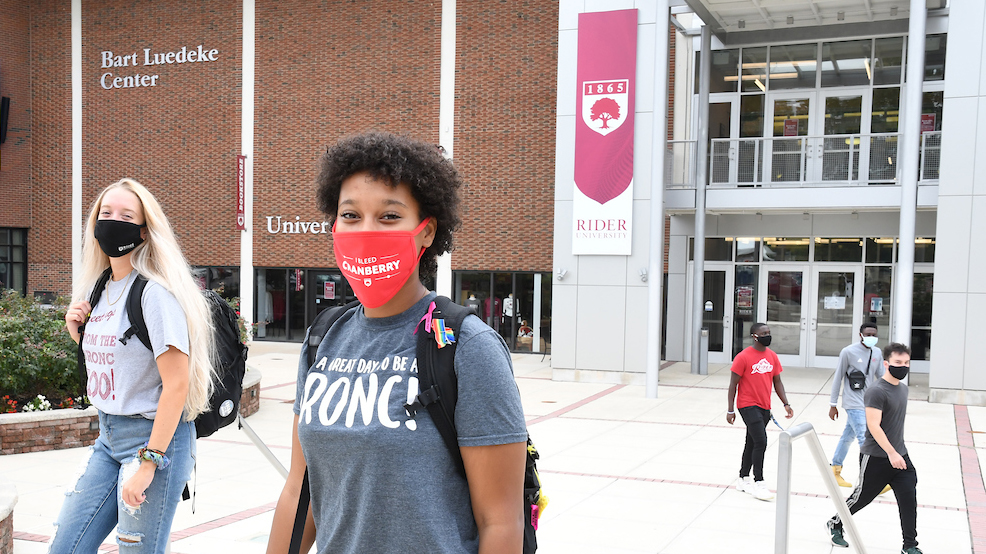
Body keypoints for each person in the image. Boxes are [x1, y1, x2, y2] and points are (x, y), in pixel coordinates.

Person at [266, 132, 529, 554]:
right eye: (350, 215)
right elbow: (301, 490)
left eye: (389, 216)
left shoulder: (467, 345)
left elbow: (500, 521)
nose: (365, 231)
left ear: (426, 233)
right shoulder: (323, 338)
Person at [54, 178, 215, 553]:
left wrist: (149, 464)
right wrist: (78, 332)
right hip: (108, 439)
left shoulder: (155, 294)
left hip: (153, 442)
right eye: (106, 213)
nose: (113, 221)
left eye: (126, 216)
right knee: (67, 546)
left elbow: (177, 385)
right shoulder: (101, 288)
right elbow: (121, 361)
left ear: (143, 231)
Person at [827, 343, 921, 554]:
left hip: (900, 456)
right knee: (861, 497)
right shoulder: (877, 391)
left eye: (906, 363)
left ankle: (910, 545)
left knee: (908, 499)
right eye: (898, 363)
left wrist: (898, 452)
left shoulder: (903, 389)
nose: (903, 366)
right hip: (876, 457)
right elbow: (873, 425)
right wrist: (891, 453)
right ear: (886, 364)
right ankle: (835, 523)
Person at [726, 322, 794, 502]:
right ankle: (759, 482)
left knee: (752, 442)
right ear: (754, 336)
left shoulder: (772, 357)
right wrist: (730, 409)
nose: (767, 335)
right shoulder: (743, 357)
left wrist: (785, 403)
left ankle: (743, 478)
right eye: (763, 333)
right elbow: (733, 384)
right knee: (761, 441)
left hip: (765, 406)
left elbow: (777, 382)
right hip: (747, 404)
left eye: (769, 332)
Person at [828, 322, 884, 488]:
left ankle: (835, 470)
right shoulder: (848, 352)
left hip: (869, 402)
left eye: (874, 334)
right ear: (860, 335)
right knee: (865, 439)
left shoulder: (877, 352)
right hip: (853, 402)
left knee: (848, 437)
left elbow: (881, 377)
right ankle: (871, 479)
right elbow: (838, 377)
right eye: (868, 334)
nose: (871, 337)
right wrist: (833, 404)